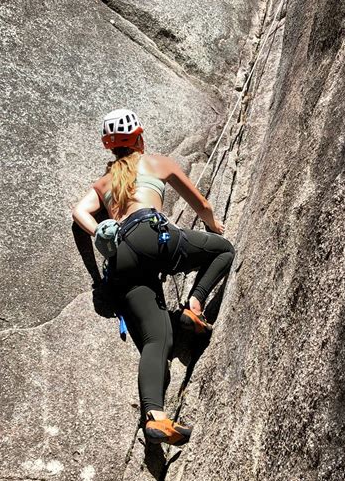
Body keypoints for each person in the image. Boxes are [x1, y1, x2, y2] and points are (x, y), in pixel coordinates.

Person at [72, 109, 235, 446]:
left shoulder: (104, 184)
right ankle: (195, 304)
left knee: (155, 339)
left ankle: (156, 418)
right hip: (151, 233)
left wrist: (102, 229)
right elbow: (200, 203)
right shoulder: (157, 162)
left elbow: (78, 212)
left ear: (110, 147)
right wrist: (212, 225)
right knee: (222, 250)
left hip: (120, 256)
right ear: (140, 137)